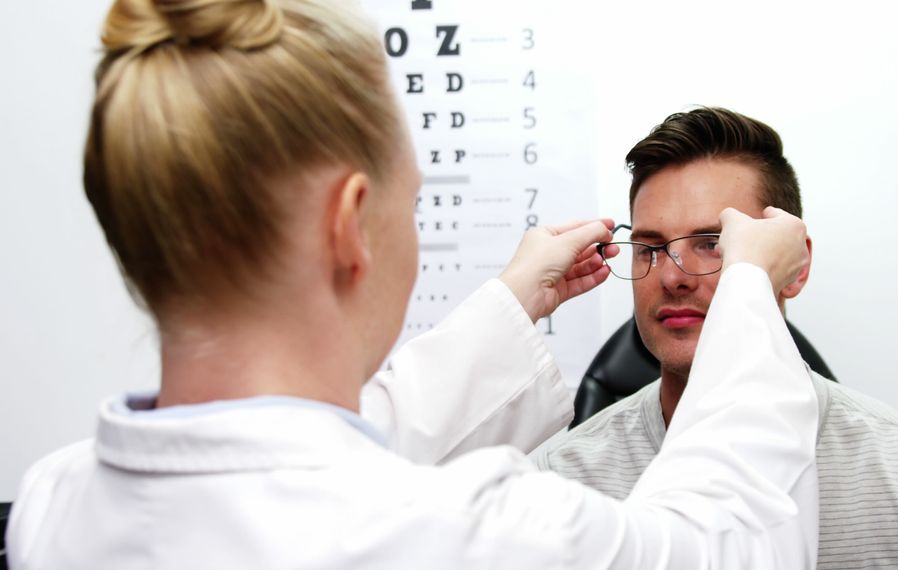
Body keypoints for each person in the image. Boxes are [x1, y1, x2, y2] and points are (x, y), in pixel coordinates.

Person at [6, 2, 820, 568]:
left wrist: (513, 301)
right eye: (414, 200)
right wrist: (745, 285)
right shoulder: (483, 533)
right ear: (349, 223)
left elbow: (308, 451)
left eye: (709, 245)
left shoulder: (56, 504)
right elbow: (730, 542)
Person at [537, 107, 898, 569]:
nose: (673, 277)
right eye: (651, 248)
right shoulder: (561, 482)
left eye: (713, 243)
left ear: (794, 266)